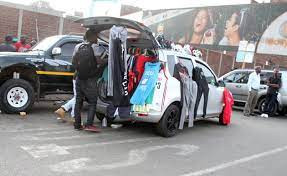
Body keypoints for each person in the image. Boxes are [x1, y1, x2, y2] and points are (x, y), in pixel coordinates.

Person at [72, 29, 107, 131]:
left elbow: (73, 62)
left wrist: (79, 70)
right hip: (90, 79)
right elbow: (98, 61)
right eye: (96, 36)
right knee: (92, 101)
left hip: (79, 77)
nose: (97, 39)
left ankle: (77, 124)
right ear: (92, 37)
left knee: (78, 101)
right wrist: (107, 60)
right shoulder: (94, 47)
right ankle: (89, 124)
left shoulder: (78, 46)